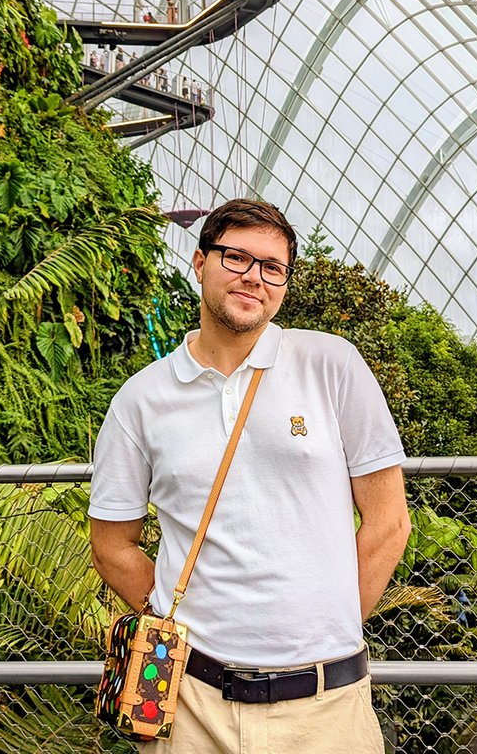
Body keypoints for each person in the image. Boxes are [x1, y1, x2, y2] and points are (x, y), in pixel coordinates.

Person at [89, 199, 410, 753]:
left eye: (273, 267)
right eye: (236, 258)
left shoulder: (333, 366)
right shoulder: (140, 400)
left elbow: (389, 518)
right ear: (199, 261)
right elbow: (111, 543)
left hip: (327, 707)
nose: (254, 278)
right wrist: (173, 621)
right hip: (191, 704)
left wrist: (328, 624)